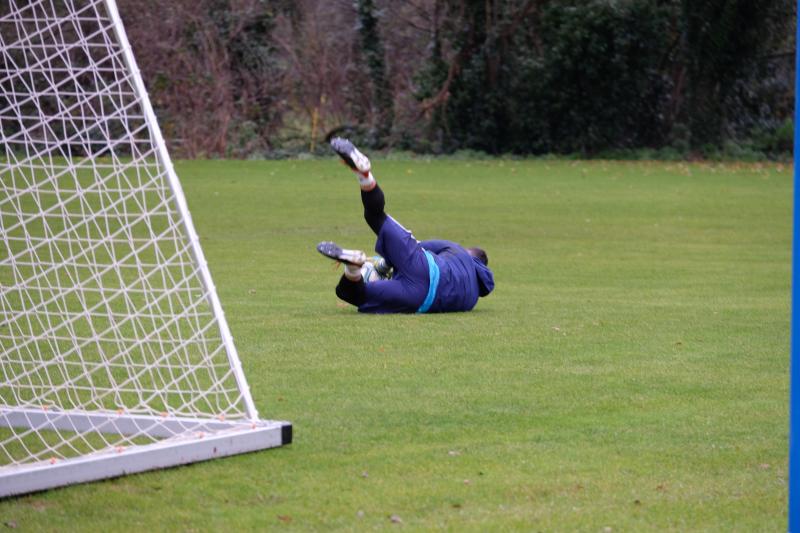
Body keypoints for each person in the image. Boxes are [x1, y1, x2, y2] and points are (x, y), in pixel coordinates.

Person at [317, 138, 494, 313]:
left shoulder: (457, 250)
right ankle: (353, 267)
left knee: (375, 216)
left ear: (471, 255)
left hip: (424, 265)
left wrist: (382, 265)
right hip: (419, 297)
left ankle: (364, 175)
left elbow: (419, 247)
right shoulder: (471, 299)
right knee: (349, 294)